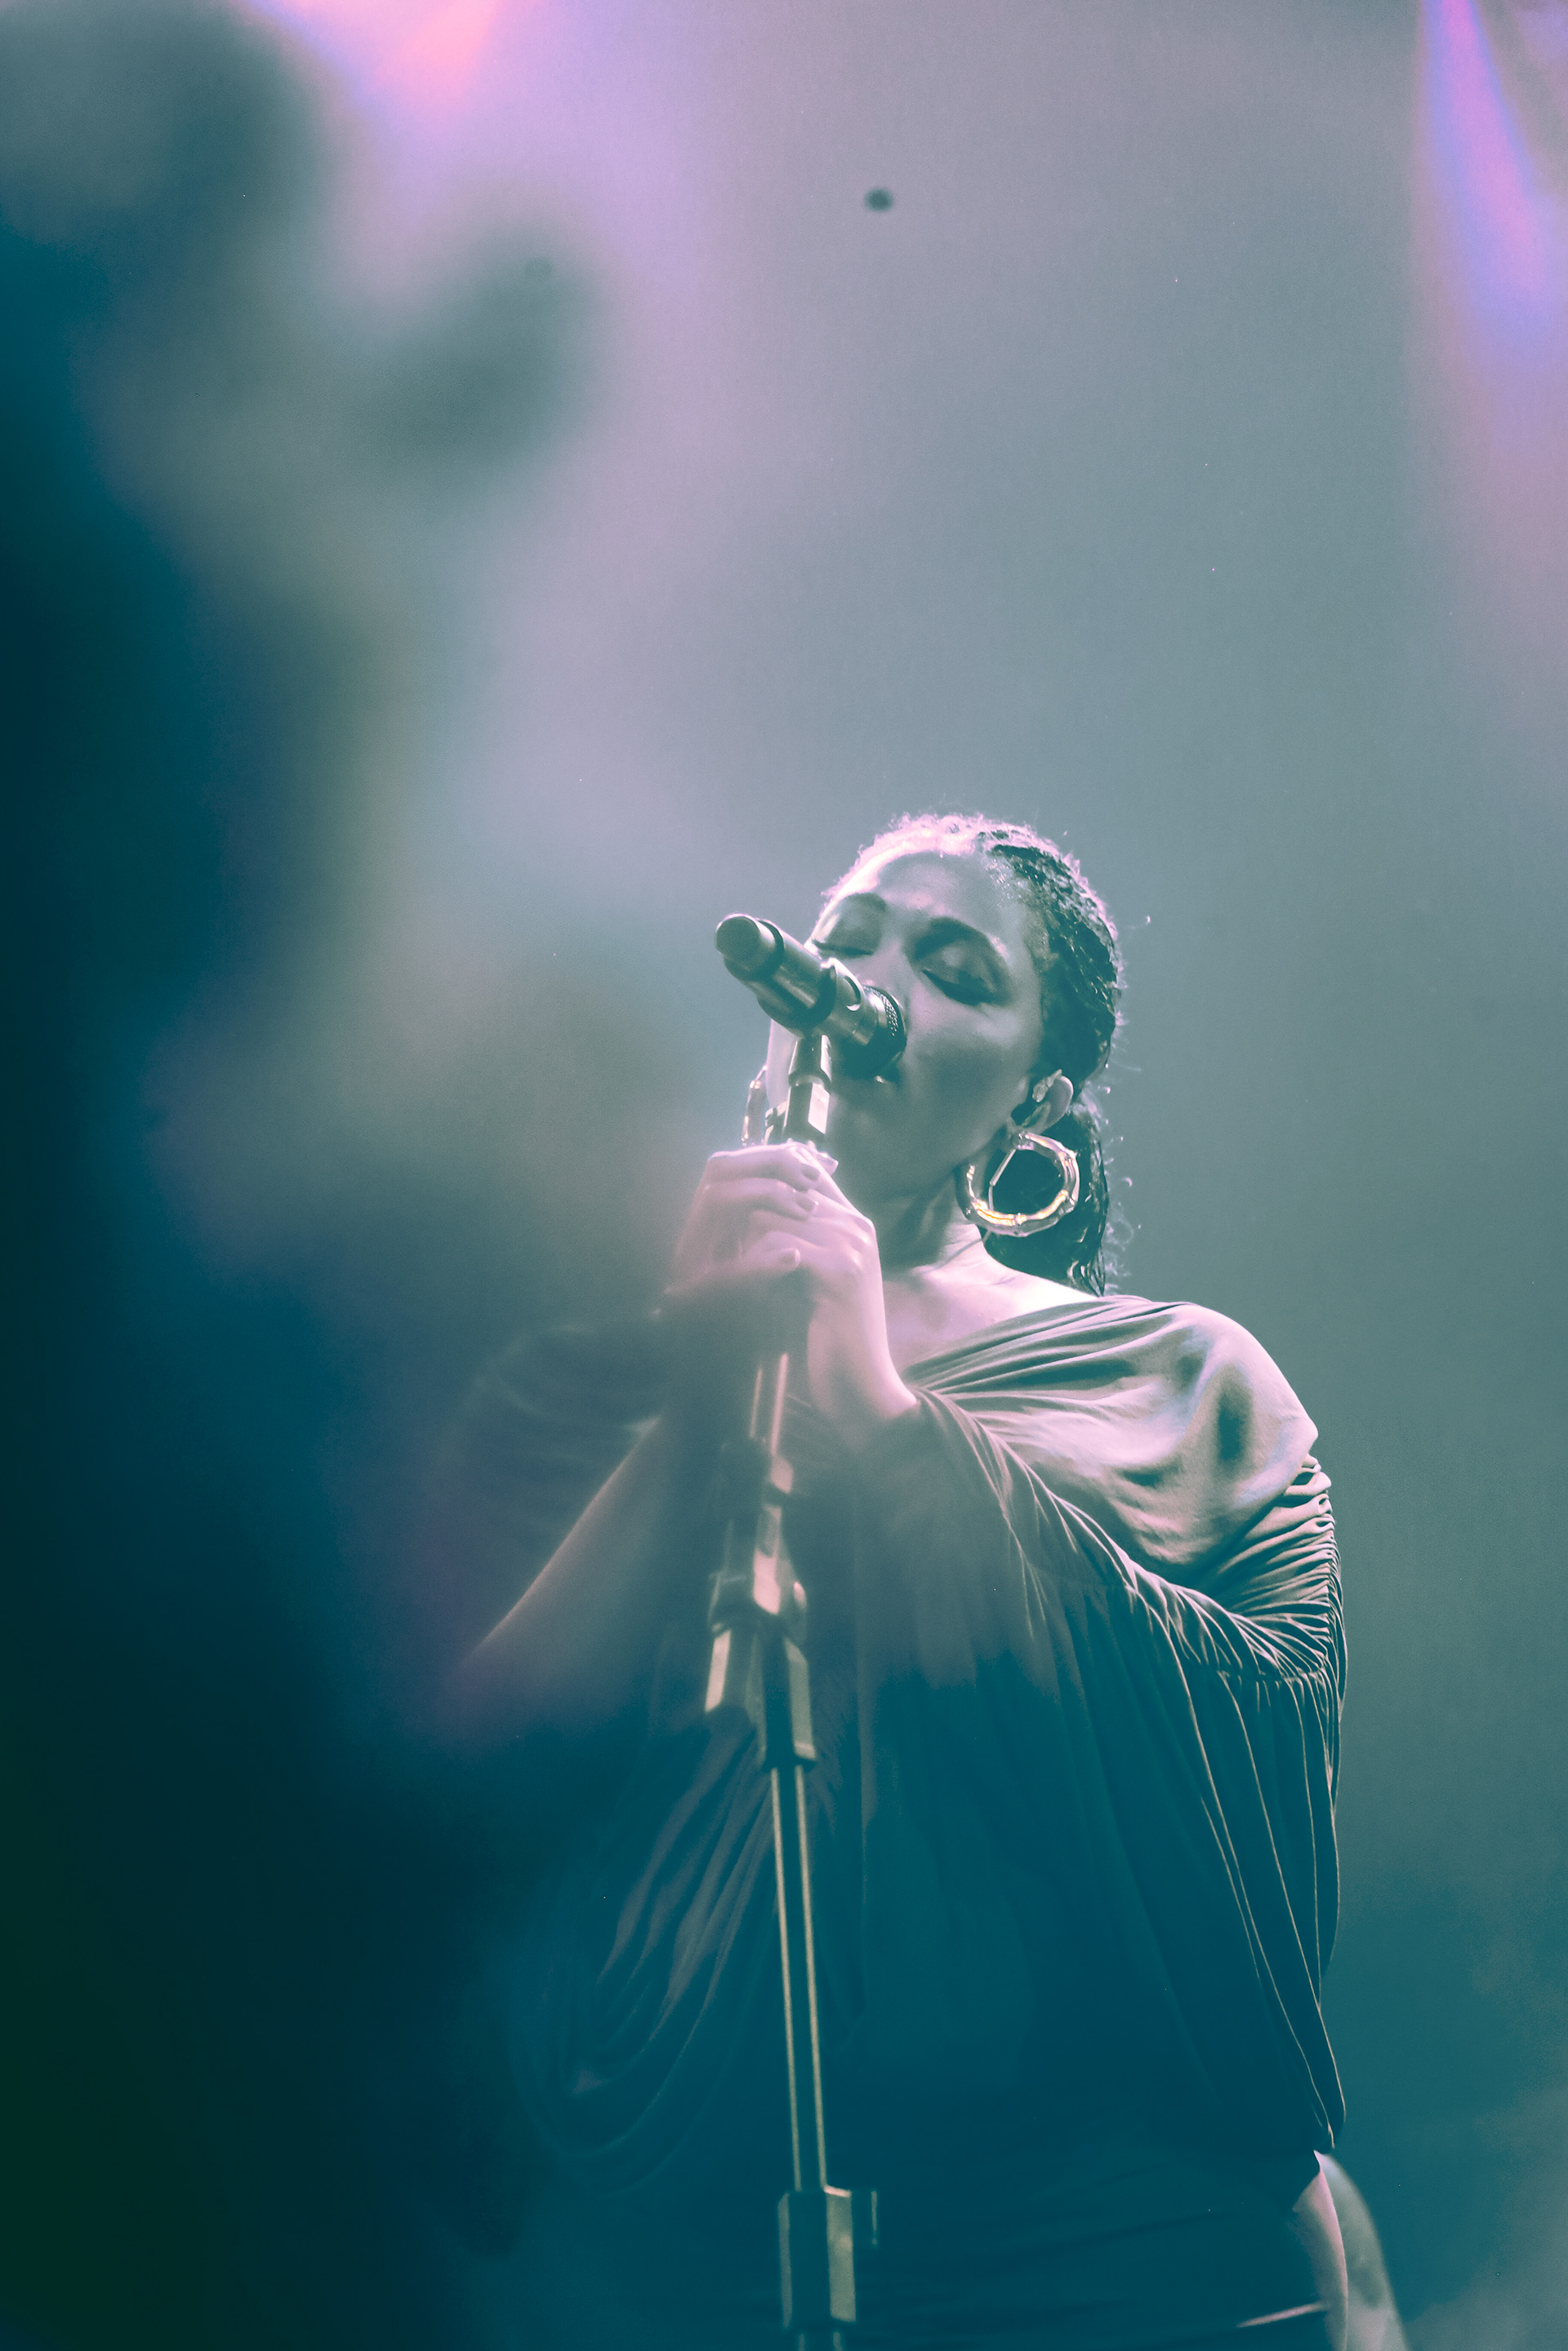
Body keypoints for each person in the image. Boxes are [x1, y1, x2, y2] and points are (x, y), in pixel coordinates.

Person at [450, 813, 1351, 2349]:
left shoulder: (1177, 1376)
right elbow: (464, 1801)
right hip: (690, 2250)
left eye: (956, 971)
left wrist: (884, 1422)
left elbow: (1256, 1772)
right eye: (851, 941)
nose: (872, 989)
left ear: (1038, 1100)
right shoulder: (614, 1378)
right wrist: (699, 1406)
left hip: (1108, 2247)